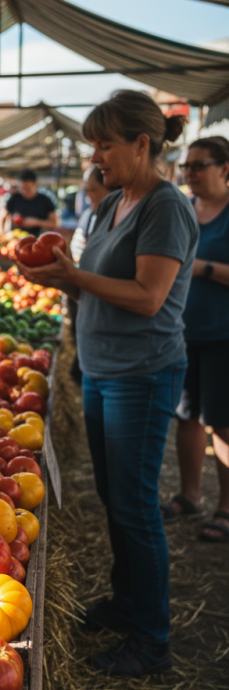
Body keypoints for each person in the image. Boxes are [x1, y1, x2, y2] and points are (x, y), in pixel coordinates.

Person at [16, 90, 197, 677]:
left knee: (137, 505)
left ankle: (152, 639)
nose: (95, 156)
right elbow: (92, 281)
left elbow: (148, 297)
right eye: (92, 145)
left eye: (104, 145)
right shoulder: (113, 203)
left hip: (141, 373)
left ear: (142, 144)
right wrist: (57, 279)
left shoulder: (165, 208)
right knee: (116, 497)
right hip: (101, 369)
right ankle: (127, 601)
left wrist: (74, 275)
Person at [160, 137, 229, 541]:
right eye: (187, 166)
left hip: (223, 334)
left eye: (199, 165)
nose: (189, 173)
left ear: (225, 169)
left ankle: (226, 507)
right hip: (182, 332)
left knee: (222, 422)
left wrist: (202, 268)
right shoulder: (183, 209)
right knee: (186, 416)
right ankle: (190, 497)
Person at [67, 166, 112, 384]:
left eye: (93, 190)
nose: (87, 195)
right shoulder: (89, 215)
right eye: (86, 189)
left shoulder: (113, 220)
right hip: (83, 294)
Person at [0, 168, 58, 237]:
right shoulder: (14, 199)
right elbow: (1, 216)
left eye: (27, 188)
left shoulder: (45, 201)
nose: (24, 191)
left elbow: (54, 224)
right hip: (15, 239)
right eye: (22, 188)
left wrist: (37, 222)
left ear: (35, 184)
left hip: (36, 240)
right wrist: (0, 232)